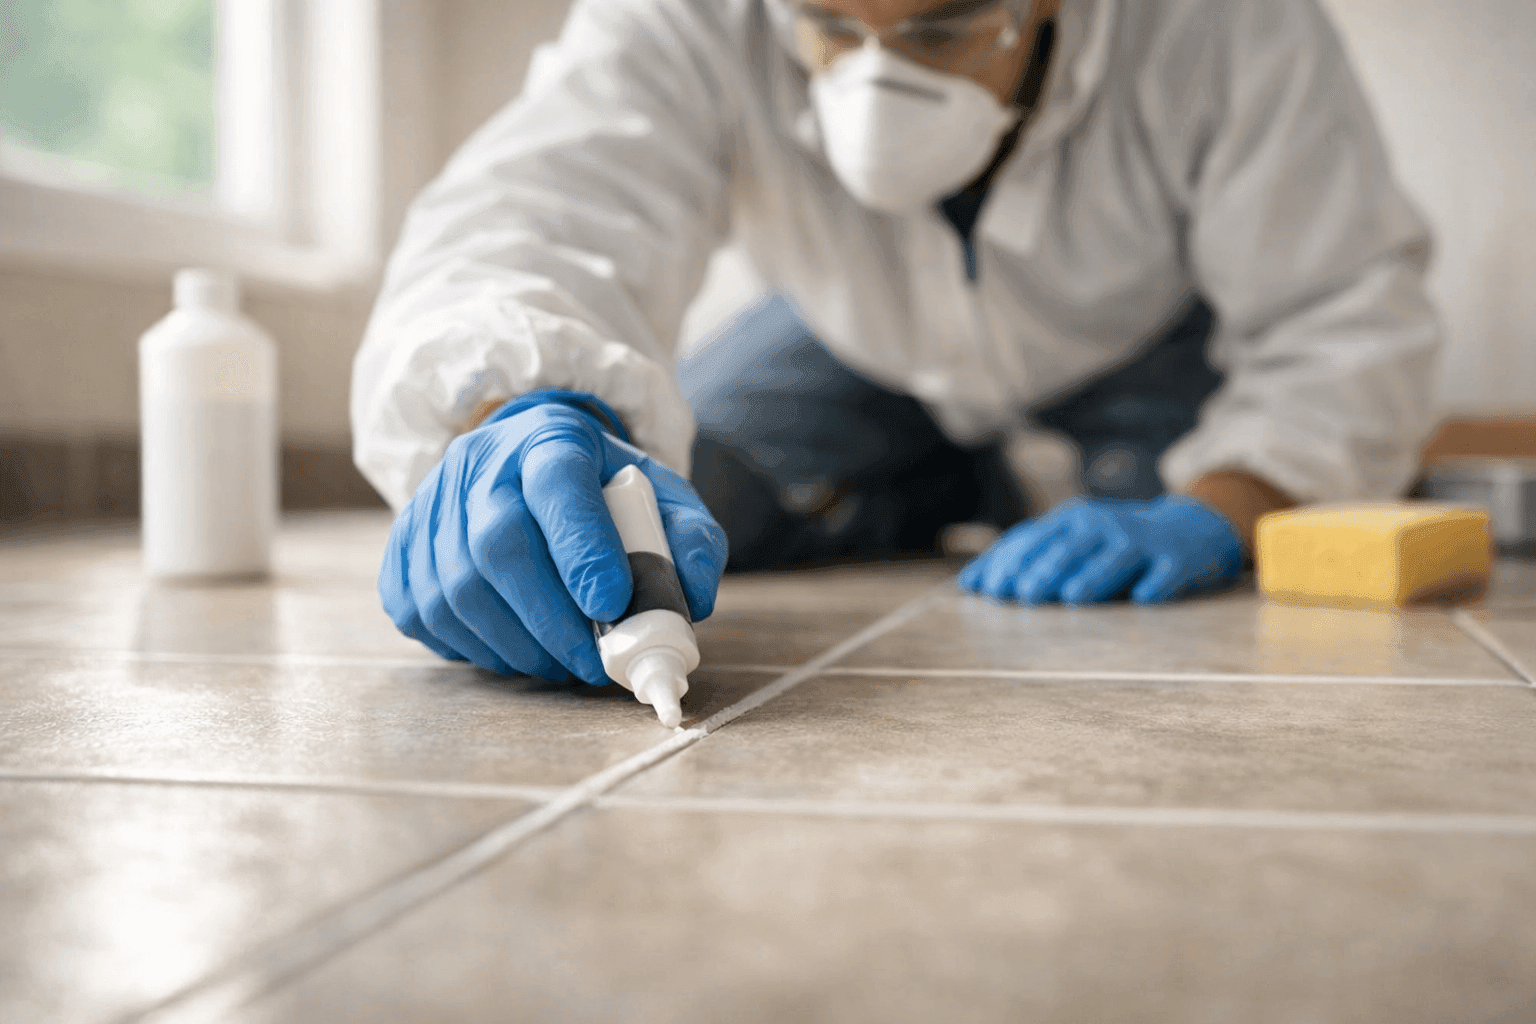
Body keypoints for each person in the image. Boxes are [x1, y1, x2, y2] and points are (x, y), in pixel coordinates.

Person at [356, 0, 1440, 682]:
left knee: (1166, 550)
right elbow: (531, 214)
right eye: (828, 23)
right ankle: (953, 485)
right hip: (861, 348)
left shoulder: (1228, 27)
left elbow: (1345, 314)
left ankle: (1046, 482)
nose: (877, 82)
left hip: (1144, 356)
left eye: (940, 28)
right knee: (682, 490)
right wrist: (511, 415)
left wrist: (1227, 501)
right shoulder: (687, 15)